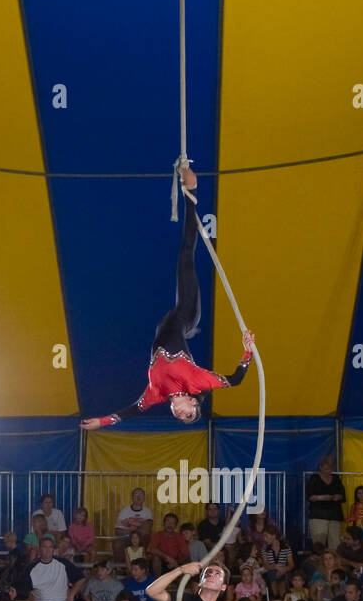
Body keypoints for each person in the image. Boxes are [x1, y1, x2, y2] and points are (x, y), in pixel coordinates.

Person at [81, 167, 256, 430]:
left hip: (168, 324)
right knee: (186, 255)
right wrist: (247, 350)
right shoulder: (197, 382)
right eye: (188, 416)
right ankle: (192, 191)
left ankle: (190, 192)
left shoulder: (157, 393)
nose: (180, 416)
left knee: (181, 263)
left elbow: (130, 410)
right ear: (193, 404)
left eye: (182, 419)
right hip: (186, 312)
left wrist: (102, 421)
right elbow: (235, 380)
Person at [28, 537, 87, 601]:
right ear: (39, 549)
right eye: (44, 547)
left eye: (50, 547)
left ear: (53, 549)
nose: (47, 550)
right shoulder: (31, 567)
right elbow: (27, 590)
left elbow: (81, 578)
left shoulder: (63, 563)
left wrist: (72, 595)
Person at [306, 456, 346, 551]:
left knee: (335, 541)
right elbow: (310, 496)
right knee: (319, 542)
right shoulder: (314, 478)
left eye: (330, 468)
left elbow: (343, 495)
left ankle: (334, 563)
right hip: (318, 514)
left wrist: (337, 497)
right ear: (320, 467)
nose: (328, 470)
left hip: (334, 514)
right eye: (326, 468)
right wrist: (323, 497)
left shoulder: (336, 479)